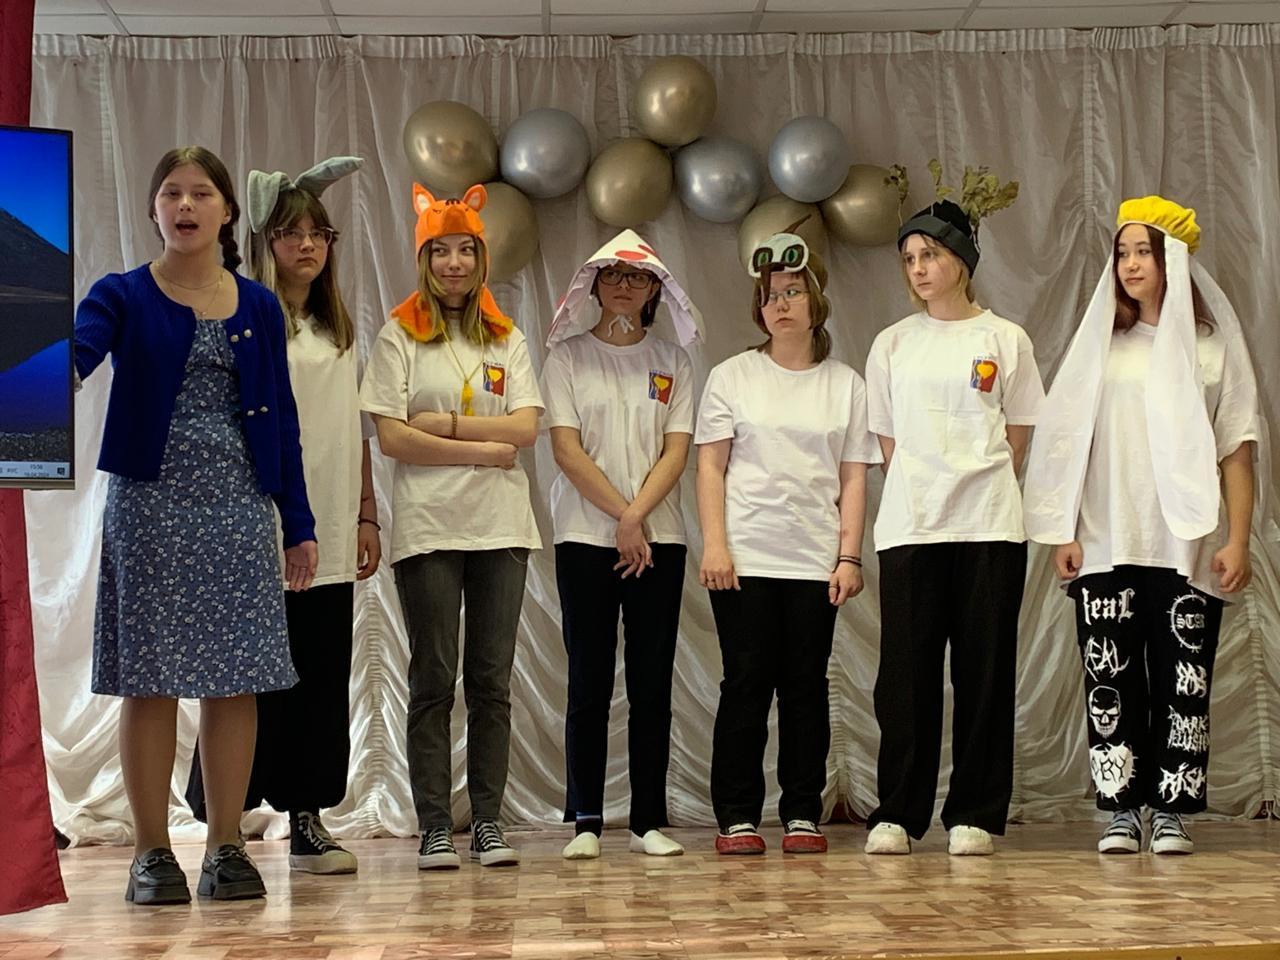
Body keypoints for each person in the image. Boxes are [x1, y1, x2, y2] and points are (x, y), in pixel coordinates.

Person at [74, 146, 316, 904]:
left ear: (227, 212)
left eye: (201, 192)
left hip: (239, 508)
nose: (186, 205)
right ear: (154, 209)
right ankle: (151, 852)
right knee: (148, 682)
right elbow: (72, 357)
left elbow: (282, 421)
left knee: (235, 680)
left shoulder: (259, 306)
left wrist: (298, 523)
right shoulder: (119, 294)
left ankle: (225, 847)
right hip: (148, 507)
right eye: (172, 193)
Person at [1023, 196, 1267, 855]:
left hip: (1188, 542)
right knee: (1111, 677)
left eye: (1144, 252)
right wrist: (1065, 529)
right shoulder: (1102, 347)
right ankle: (1121, 809)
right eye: (1122, 252)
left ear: (1172, 260)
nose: (1130, 264)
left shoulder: (1211, 348)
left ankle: (1171, 811)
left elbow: (1236, 447)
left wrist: (1237, 538)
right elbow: (1068, 440)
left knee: (1184, 677)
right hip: (1106, 539)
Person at [183, 157, 379, 874]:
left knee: (319, 675)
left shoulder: (339, 330)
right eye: (291, 233)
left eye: (318, 234)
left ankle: (307, 819)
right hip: (256, 525)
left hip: (328, 525)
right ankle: (226, 822)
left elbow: (354, 431)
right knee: (247, 672)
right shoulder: (246, 319)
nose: (306, 246)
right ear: (266, 241)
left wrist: (365, 514)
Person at [360, 184, 542, 869]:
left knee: (491, 681)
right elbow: (393, 440)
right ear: (424, 259)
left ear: (482, 257)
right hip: (429, 528)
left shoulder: (507, 336)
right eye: (442, 251)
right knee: (433, 679)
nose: (456, 263)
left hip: (501, 529)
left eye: (466, 250)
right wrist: (484, 450)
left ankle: (488, 821)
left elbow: (526, 428)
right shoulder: (398, 335)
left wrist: (447, 426)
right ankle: (435, 824)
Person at [864, 194, 1044, 857]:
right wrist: (927, 485)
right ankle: (898, 812)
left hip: (990, 525)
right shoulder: (892, 344)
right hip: (912, 526)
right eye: (909, 258)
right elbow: (888, 442)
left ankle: (974, 812)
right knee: (905, 677)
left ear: (962, 261)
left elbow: (1018, 435)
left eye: (931, 255)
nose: (918, 268)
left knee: (983, 672)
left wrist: (976, 479)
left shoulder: (1005, 339)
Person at [696, 228, 880, 856]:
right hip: (745, 558)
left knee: (805, 687)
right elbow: (710, 467)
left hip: (813, 560)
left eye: (793, 292)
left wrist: (848, 555)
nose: (781, 304)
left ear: (816, 301)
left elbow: (853, 477)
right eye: (771, 294)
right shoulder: (732, 376)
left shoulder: (845, 384)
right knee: (746, 684)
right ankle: (736, 816)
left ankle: (802, 811)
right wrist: (715, 545)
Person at [542, 230, 701, 860]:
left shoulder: (674, 361)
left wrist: (636, 519)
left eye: (638, 277)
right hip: (585, 538)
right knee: (587, 679)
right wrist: (621, 517)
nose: (625, 286)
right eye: (613, 275)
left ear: (656, 288)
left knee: (651, 683)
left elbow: (677, 451)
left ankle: (647, 820)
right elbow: (566, 449)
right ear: (594, 285)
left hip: (659, 540)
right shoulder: (566, 358)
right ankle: (585, 818)